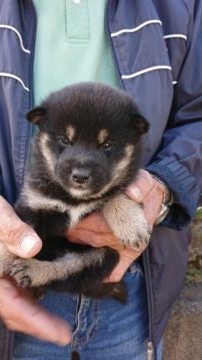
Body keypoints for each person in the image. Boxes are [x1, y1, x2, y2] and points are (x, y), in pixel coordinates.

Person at [0, 0, 202, 359]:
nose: (79, 167)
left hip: (133, 282)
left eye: (106, 146)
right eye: (64, 142)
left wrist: (163, 184)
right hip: (15, 295)